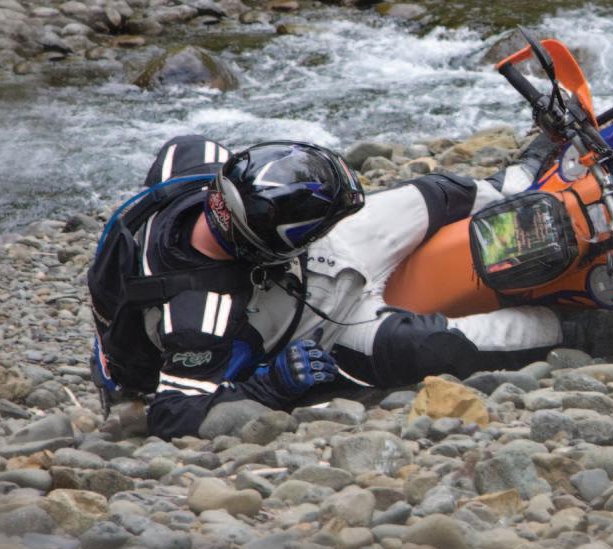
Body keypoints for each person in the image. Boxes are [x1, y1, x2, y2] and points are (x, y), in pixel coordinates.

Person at [91, 132, 567, 440]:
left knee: (434, 194)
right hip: (312, 325)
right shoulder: (197, 318)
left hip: (298, 264)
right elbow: (174, 415)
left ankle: (522, 180)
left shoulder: (193, 162)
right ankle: (573, 328)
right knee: (428, 346)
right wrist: (272, 387)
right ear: (267, 246)